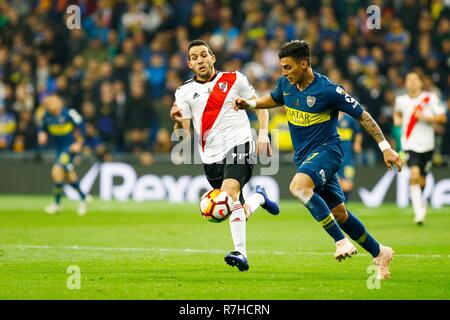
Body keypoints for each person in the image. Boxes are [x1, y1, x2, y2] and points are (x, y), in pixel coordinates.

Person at [233, 40, 402, 280]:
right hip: (306, 157)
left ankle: (341, 242)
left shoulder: (328, 90)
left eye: (288, 67)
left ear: (304, 64)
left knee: (298, 187)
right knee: (340, 214)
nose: (284, 73)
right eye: (282, 67)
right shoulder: (286, 84)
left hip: (328, 151)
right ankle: (380, 252)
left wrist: (386, 147)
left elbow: (363, 116)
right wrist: (249, 103)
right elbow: (273, 98)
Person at [170, 39, 280, 272]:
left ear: (213, 58)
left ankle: (241, 253)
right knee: (235, 208)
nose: (200, 60)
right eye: (195, 57)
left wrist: (262, 134)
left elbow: (259, 105)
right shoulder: (184, 92)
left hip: (240, 144)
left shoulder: (235, 79)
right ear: (189, 64)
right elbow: (184, 136)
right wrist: (177, 122)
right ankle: (259, 198)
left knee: (228, 194)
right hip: (210, 158)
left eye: (203, 55)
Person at [393, 72, 447, 225]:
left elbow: (442, 117)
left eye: (415, 80)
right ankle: (419, 214)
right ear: (406, 84)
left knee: (421, 180)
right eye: (409, 80)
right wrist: (397, 120)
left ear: (421, 83)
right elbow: (397, 114)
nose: (412, 83)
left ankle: (421, 202)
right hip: (409, 144)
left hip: (428, 145)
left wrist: (426, 117)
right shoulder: (401, 100)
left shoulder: (429, 98)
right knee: (414, 175)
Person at [38, 94, 89, 216]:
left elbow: (82, 127)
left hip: (70, 148)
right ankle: (83, 198)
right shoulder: (46, 116)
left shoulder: (69, 113)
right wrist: (42, 134)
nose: (50, 104)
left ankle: (57, 204)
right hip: (58, 150)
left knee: (56, 170)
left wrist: (79, 143)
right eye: (48, 102)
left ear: (59, 102)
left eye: (53, 101)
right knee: (69, 176)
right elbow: (43, 129)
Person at [337, 111, 362, 202]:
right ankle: (337, 207)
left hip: (348, 156)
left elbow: (358, 132)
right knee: (336, 183)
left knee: (347, 185)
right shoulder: (330, 116)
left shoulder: (350, 119)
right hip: (333, 156)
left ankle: (344, 206)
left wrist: (357, 143)